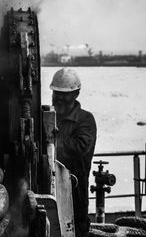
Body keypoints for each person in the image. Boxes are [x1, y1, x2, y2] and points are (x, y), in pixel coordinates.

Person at [49, 68, 97, 237]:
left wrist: (53, 138)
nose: (59, 98)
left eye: (65, 94)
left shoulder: (86, 120)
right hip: (48, 188)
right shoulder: (48, 117)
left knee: (76, 229)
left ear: (76, 94)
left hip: (75, 191)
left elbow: (80, 148)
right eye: (57, 93)